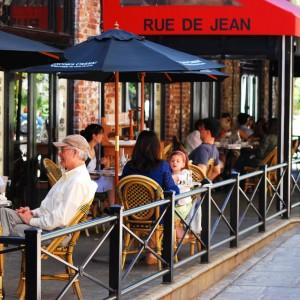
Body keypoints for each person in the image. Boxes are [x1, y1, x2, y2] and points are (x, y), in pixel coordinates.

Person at [0, 134, 97, 237]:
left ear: (75, 153)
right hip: (47, 225)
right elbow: (50, 208)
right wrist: (33, 213)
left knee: (8, 228)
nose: (59, 154)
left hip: (55, 233)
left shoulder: (78, 181)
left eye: (63, 150)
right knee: (4, 212)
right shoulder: (69, 176)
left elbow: (60, 219)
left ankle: (3, 245)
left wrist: (31, 220)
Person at [121, 130, 179, 265]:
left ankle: (144, 245)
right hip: (156, 215)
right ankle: (153, 250)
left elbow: (123, 187)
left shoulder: (129, 166)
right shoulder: (162, 165)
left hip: (132, 214)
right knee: (173, 205)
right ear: (156, 147)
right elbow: (172, 190)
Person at [80, 124, 115, 205]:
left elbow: (92, 166)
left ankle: (111, 206)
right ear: (94, 136)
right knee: (112, 181)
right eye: (101, 133)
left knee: (111, 180)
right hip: (86, 182)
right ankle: (112, 206)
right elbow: (81, 169)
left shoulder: (94, 148)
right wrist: (95, 175)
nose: (103, 136)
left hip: (93, 178)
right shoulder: (85, 150)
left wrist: (102, 162)